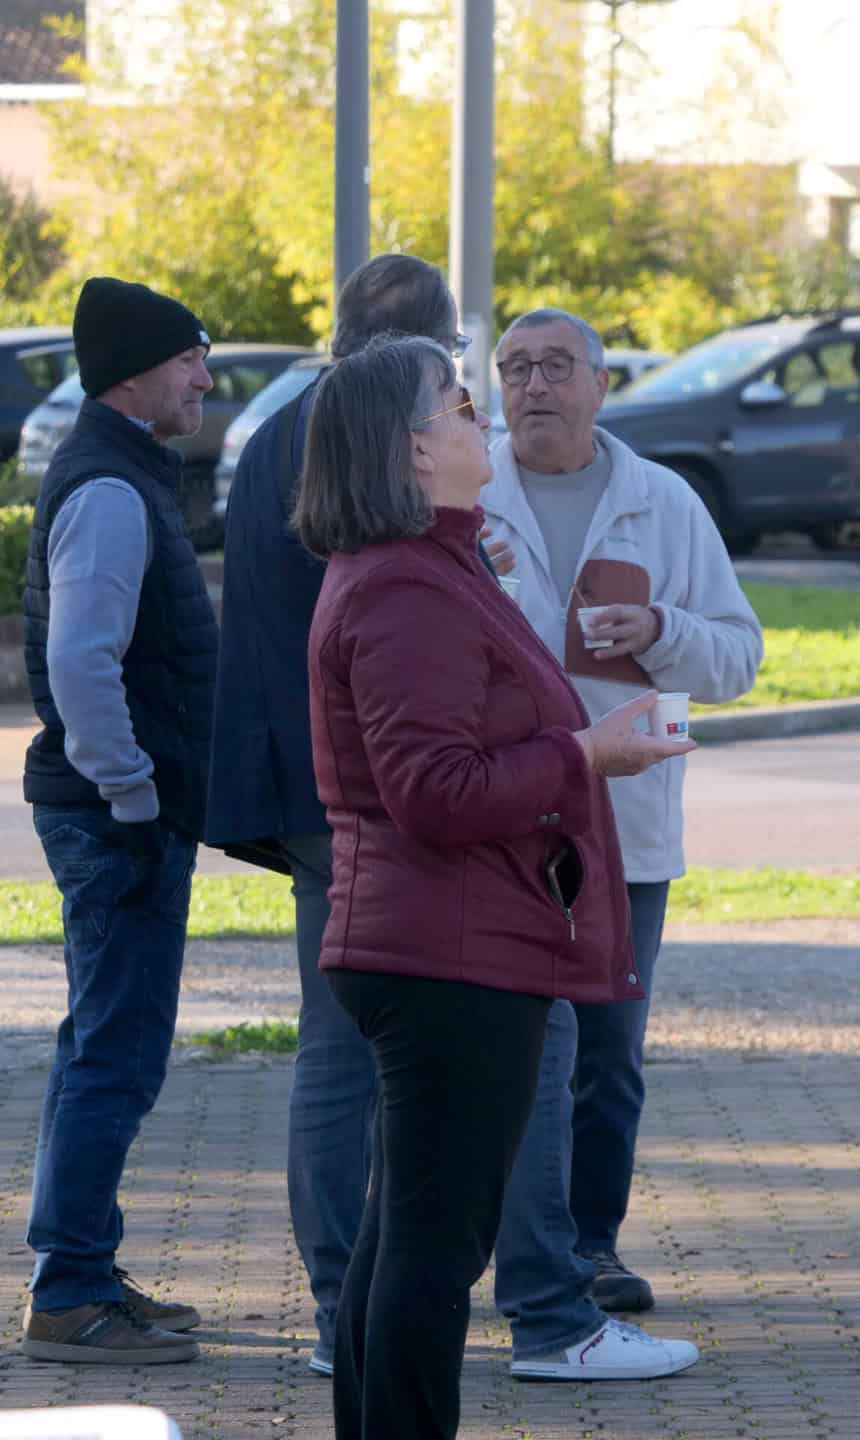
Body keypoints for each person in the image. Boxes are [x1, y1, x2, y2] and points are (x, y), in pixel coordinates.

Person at [295, 334, 698, 1440]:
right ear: (412, 448)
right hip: (445, 956)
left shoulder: (434, 563)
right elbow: (432, 790)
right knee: (432, 1256)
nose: (482, 415)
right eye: (459, 403)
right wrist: (586, 756)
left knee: (407, 1240)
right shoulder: (403, 587)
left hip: (445, 944)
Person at [206, 254, 482, 1378]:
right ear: (419, 351)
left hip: (311, 781)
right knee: (353, 1052)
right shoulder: (353, 439)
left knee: (343, 1047)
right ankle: (343, 1308)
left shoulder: (282, 426)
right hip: (358, 786)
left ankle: (346, 1302)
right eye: (452, 362)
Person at [479, 309, 763, 1376]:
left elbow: (739, 655)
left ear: (602, 384)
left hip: (625, 831)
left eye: (556, 366)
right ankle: (520, 1254)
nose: (534, 385)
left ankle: (589, 1251)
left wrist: (663, 635)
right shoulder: (466, 496)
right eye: (515, 368)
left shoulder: (664, 503)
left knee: (607, 1059)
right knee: (511, 1052)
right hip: (501, 819)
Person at [19, 278, 216, 1366]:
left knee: (103, 1045)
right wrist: (134, 793)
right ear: (136, 374)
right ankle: (71, 1295)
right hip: (116, 817)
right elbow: (80, 663)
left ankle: (81, 1267)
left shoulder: (124, 471)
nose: (204, 377)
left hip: (119, 809)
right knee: (115, 1054)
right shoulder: (110, 490)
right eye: (191, 357)